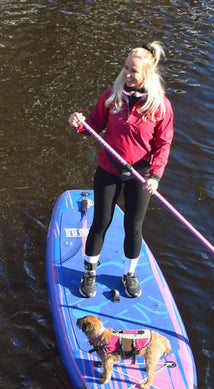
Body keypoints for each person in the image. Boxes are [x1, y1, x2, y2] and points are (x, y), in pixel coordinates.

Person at [69, 41, 173, 299]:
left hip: (141, 174)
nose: (127, 74)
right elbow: (94, 124)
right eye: (126, 68)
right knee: (101, 221)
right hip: (109, 168)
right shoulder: (112, 95)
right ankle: (90, 272)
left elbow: (163, 144)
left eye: (134, 71)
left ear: (147, 73)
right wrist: (79, 124)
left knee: (133, 226)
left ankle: (129, 274)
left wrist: (156, 176)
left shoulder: (160, 106)